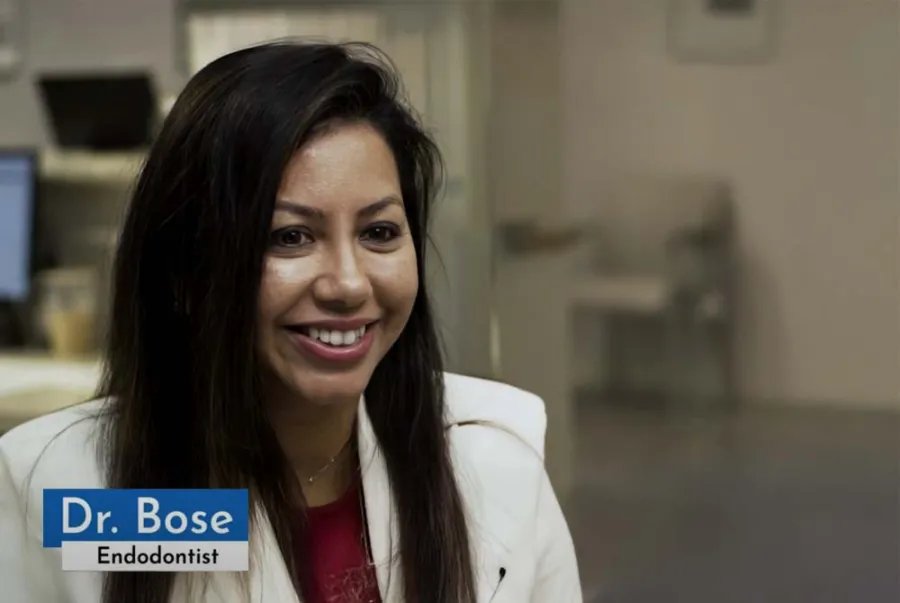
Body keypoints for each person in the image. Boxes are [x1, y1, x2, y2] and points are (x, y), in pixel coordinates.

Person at [0, 42, 581, 603]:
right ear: (184, 271)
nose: (349, 285)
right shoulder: (73, 496)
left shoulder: (492, 466)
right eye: (290, 237)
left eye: (379, 232)